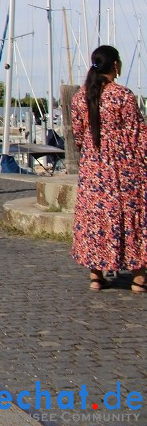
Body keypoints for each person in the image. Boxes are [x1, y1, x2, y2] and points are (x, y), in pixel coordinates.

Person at [70, 45, 147, 293]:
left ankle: (96, 276)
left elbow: (79, 136)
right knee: (131, 217)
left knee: (96, 218)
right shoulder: (123, 96)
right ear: (115, 65)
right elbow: (137, 134)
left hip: (94, 168)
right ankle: (138, 279)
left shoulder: (80, 97)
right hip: (124, 168)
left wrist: (93, 156)